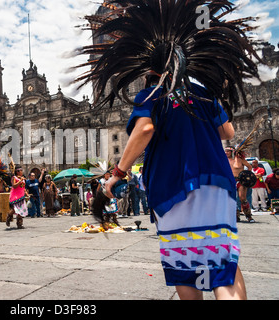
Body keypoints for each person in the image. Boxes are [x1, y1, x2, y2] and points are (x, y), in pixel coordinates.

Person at [79, 0, 262, 300]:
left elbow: (145, 129)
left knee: (185, 267)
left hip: (174, 191)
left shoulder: (150, 95)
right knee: (223, 266)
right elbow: (227, 131)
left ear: (150, 68)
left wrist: (117, 173)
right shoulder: (202, 94)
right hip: (216, 187)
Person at [225, 147, 255, 222]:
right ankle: (235, 216)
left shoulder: (240, 159)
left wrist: (247, 175)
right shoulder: (224, 160)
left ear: (232, 152)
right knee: (232, 199)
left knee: (242, 198)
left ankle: (248, 216)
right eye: (225, 151)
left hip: (240, 181)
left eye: (228, 151)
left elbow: (249, 167)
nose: (226, 153)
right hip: (230, 181)